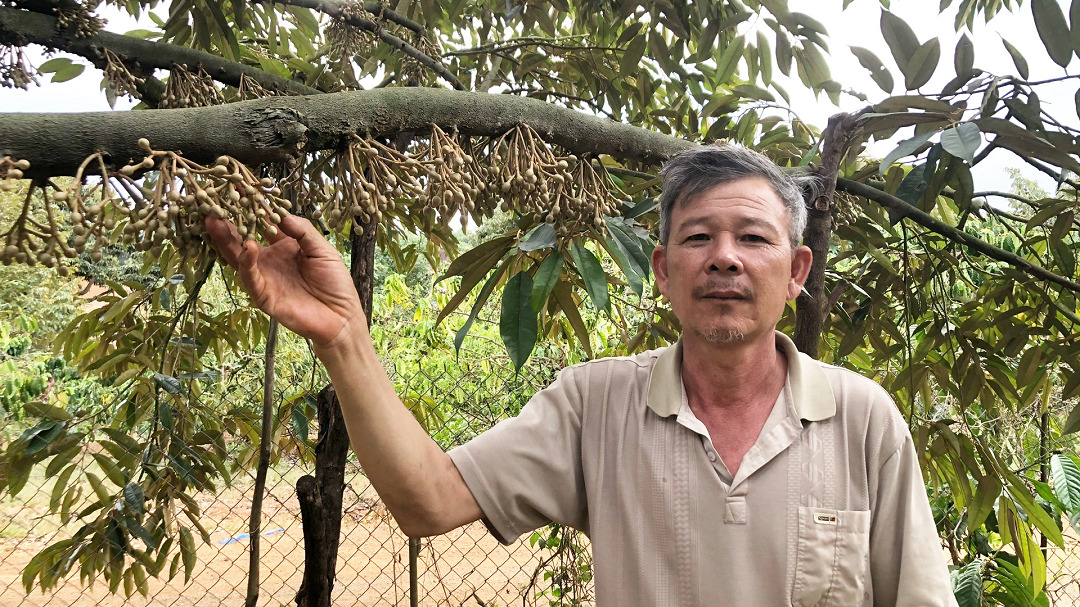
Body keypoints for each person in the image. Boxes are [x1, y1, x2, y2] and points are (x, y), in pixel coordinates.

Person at [205, 144, 958, 606]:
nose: (724, 256)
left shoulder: (864, 420)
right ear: (662, 270)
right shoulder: (596, 404)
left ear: (796, 271)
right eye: (699, 237)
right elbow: (426, 500)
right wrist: (344, 339)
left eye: (752, 238)